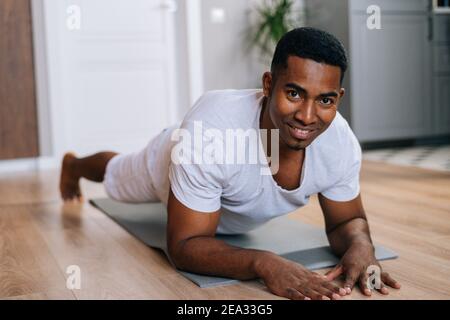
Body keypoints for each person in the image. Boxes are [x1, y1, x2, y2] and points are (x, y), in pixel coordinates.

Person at [59, 27, 401, 300]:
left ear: (338, 99)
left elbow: (348, 221)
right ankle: (74, 166)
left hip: (231, 208)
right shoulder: (210, 131)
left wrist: (361, 246)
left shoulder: (339, 142)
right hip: (170, 160)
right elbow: (184, 246)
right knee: (118, 173)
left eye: (324, 100)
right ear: (268, 84)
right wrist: (263, 262)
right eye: (294, 93)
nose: (307, 116)